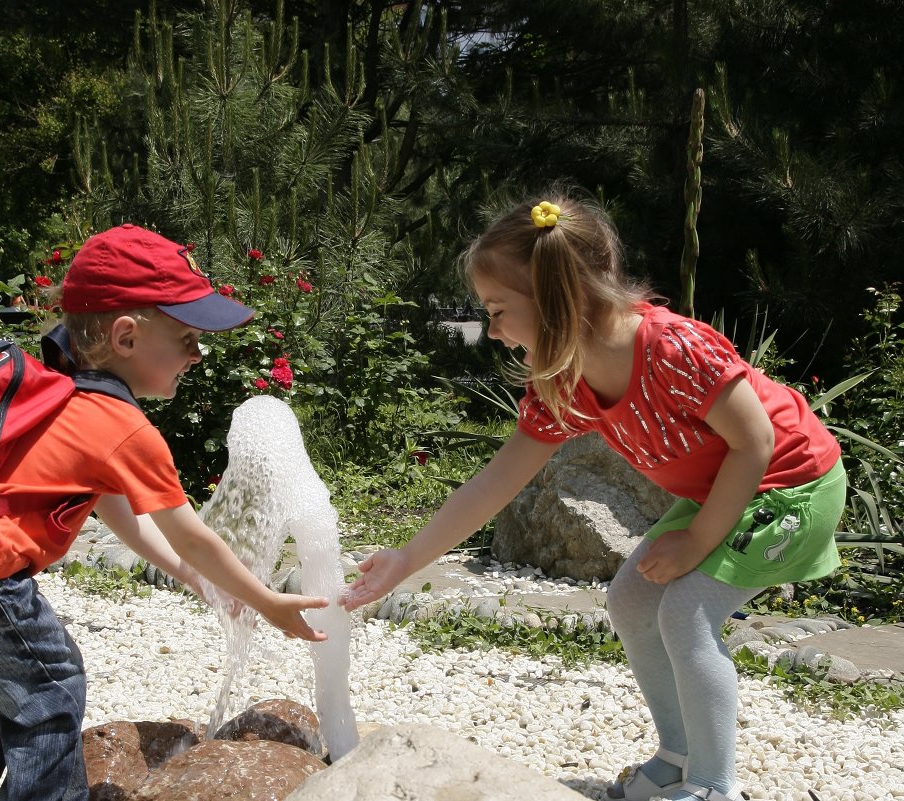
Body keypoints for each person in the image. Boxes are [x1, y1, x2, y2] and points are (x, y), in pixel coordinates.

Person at [343, 189, 845, 801]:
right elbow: (497, 481)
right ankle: (679, 754)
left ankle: (715, 786)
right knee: (632, 600)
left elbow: (756, 440)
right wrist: (406, 559)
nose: (492, 330)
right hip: (729, 488)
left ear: (558, 299)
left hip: (790, 486)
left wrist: (697, 541)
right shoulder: (566, 378)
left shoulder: (672, 349)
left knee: (685, 614)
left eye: (498, 310)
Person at [0, 223, 329, 801]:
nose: (198, 353)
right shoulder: (120, 426)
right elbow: (194, 538)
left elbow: (114, 511)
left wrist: (190, 578)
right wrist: (266, 601)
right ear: (126, 337)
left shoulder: (57, 392)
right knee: (51, 686)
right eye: (186, 336)